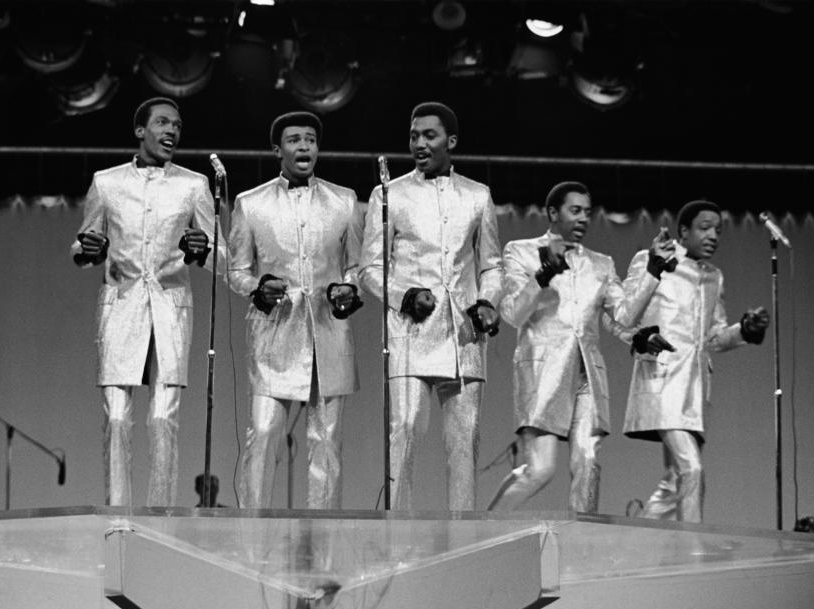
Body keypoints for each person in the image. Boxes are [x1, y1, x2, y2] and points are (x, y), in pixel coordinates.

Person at [71, 96, 225, 507]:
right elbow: (83, 241)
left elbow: (221, 256)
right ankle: (117, 513)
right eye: (162, 122)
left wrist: (201, 248)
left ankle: (161, 514)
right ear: (140, 130)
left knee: (162, 417)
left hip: (172, 307)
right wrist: (91, 249)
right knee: (118, 417)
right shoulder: (107, 182)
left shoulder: (194, 185)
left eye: (177, 124)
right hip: (121, 305)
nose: (172, 130)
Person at [487, 181, 676, 513]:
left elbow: (624, 314)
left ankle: (581, 547)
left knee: (588, 459)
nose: (583, 218)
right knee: (540, 470)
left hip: (587, 375)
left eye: (587, 212)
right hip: (542, 373)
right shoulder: (521, 251)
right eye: (575, 210)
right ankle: (486, 528)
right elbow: (513, 313)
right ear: (552, 213)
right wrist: (544, 274)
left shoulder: (600, 264)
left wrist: (653, 269)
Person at [359, 102, 502, 511]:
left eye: (429, 136)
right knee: (403, 430)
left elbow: (491, 263)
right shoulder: (390, 194)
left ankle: (463, 536)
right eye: (413, 136)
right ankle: (395, 534)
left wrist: (487, 302)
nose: (419, 144)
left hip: (464, 337)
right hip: (411, 332)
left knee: (465, 440)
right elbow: (370, 267)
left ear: (451, 142)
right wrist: (403, 295)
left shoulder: (478, 196)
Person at [228, 111, 363, 509]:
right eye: (294, 140)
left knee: (326, 442)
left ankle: (322, 544)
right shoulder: (250, 204)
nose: (303, 146)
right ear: (277, 150)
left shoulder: (345, 200)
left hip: (328, 332)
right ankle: (252, 531)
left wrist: (348, 287)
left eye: (310, 139)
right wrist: (258, 288)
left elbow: (357, 265)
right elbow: (237, 271)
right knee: (266, 430)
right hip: (275, 333)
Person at [620, 199, 769, 523]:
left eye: (718, 229)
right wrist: (652, 271)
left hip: (694, 390)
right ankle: (692, 555)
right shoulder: (652, 260)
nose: (713, 235)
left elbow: (713, 337)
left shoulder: (714, 276)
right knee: (692, 468)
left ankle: (636, 542)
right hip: (661, 379)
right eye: (705, 228)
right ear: (683, 231)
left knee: (677, 480)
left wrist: (743, 330)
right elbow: (625, 315)